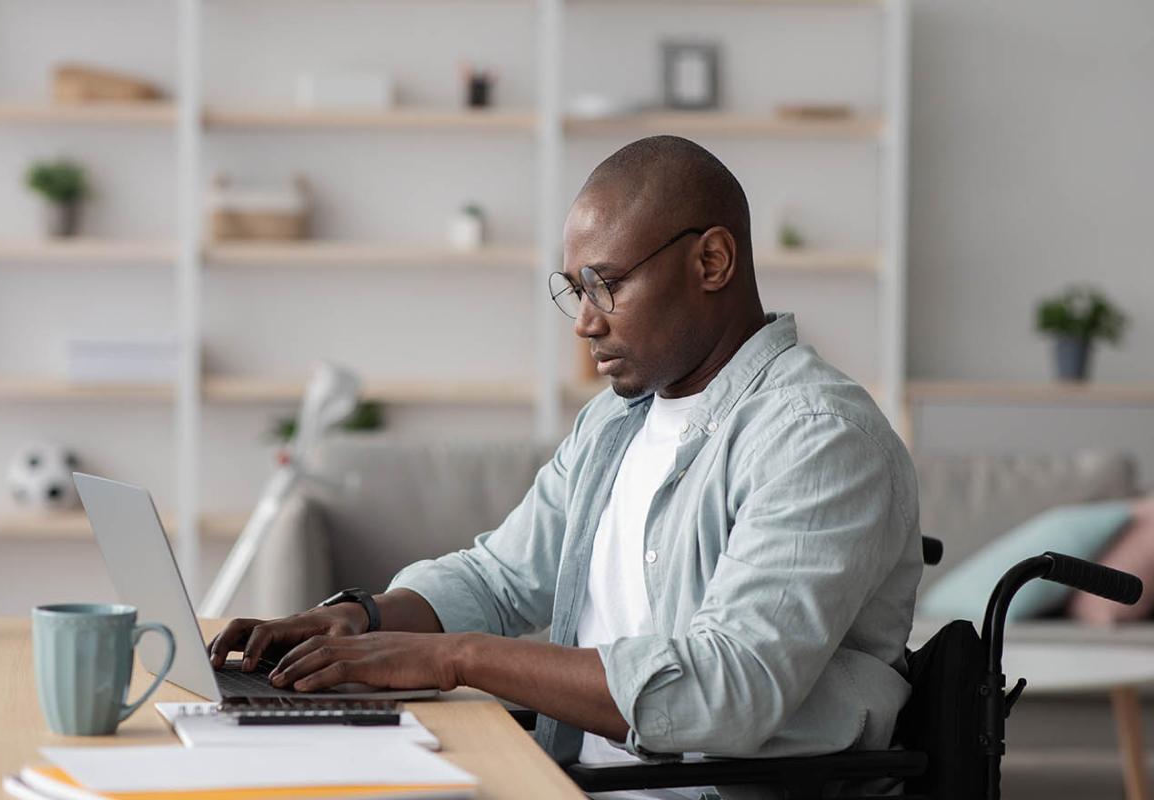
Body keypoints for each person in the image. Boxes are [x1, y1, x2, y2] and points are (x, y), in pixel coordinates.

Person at [209, 135, 922, 786]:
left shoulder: (821, 440)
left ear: (712, 261)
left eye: (606, 284)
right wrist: (363, 619)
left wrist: (454, 658)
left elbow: (725, 692)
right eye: (576, 290)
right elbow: (501, 576)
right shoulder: (616, 420)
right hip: (571, 780)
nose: (585, 322)